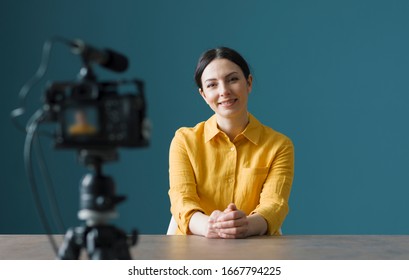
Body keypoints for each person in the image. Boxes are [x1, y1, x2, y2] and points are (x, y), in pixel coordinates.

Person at [168, 47, 294, 238]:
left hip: (257, 253)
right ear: (203, 95)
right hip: (193, 253)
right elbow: (181, 200)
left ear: (248, 83)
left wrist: (244, 226)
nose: (224, 91)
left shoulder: (279, 145)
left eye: (232, 79)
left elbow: (275, 205)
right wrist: (210, 226)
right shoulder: (184, 141)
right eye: (212, 85)